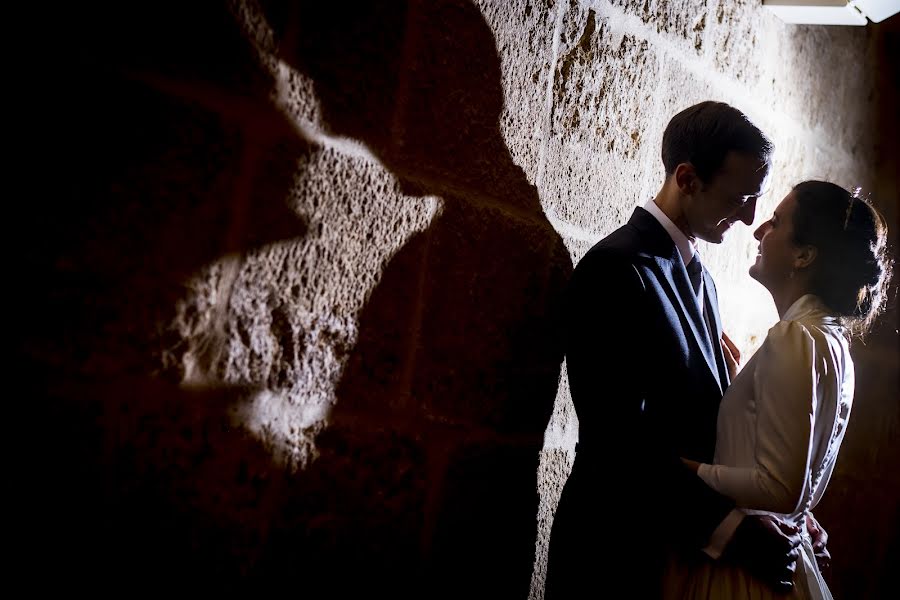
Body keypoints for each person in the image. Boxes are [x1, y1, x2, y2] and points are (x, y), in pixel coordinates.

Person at [544, 101, 810, 598]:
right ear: (687, 178)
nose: (751, 217)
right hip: (615, 557)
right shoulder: (616, 270)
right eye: (742, 197)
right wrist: (733, 529)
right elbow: (617, 443)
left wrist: (774, 511)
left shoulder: (703, 280)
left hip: (674, 560)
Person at [667, 181, 892, 599]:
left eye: (776, 222)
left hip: (743, 573)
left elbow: (779, 488)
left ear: (804, 255)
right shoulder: (830, 340)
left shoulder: (793, 337)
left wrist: (685, 468)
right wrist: (741, 388)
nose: (758, 231)